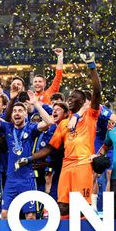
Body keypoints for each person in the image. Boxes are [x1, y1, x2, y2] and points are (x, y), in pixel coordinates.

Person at [18, 52, 102, 217]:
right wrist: (30, 158)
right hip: (66, 166)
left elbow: (97, 90)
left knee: (81, 208)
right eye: (69, 97)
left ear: (82, 101)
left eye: (73, 98)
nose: (69, 100)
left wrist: (92, 66)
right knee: (62, 206)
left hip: (82, 165)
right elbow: (50, 147)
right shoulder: (63, 123)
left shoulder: (90, 116)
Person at [0, 84, 54, 220]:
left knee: (30, 216)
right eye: (14, 111)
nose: (16, 113)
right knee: (5, 214)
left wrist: (36, 104)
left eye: (20, 111)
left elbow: (49, 122)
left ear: (25, 114)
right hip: (11, 178)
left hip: (27, 178)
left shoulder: (31, 128)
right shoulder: (7, 127)